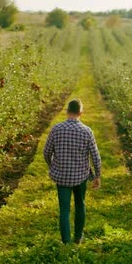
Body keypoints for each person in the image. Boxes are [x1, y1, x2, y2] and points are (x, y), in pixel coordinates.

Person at [44, 99, 101, 244]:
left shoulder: (56, 129)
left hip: (61, 176)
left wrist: (52, 165)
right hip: (80, 176)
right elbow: (95, 156)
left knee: (64, 209)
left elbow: (46, 152)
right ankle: (78, 238)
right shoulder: (87, 131)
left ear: (67, 111)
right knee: (80, 204)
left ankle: (66, 242)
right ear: (81, 113)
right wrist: (97, 175)